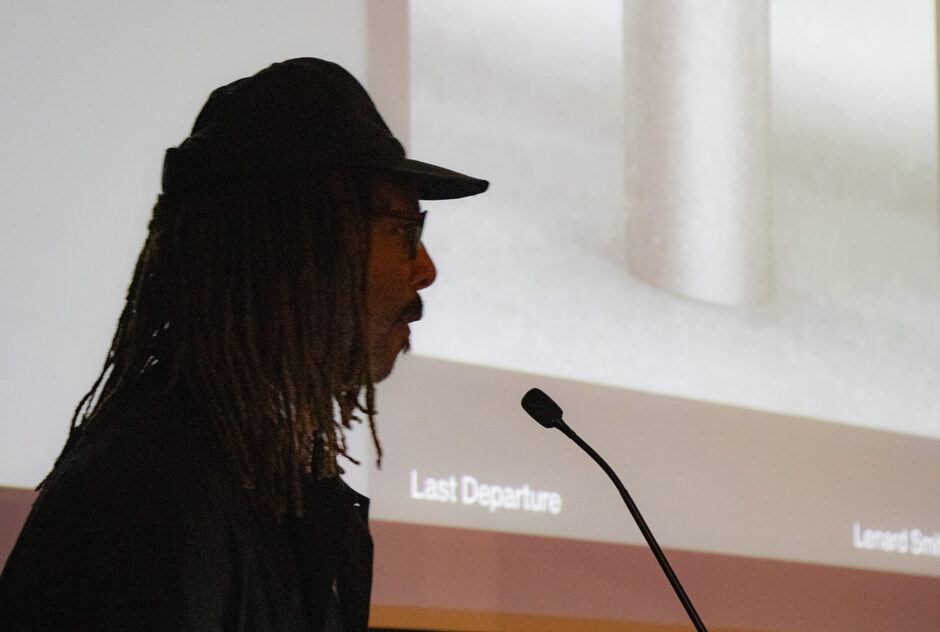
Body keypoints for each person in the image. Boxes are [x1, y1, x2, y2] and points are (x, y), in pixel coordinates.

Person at [0, 57, 488, 631]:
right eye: (404, 232)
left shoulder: (272, 488)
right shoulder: (138, 500)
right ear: (300, 248)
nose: (425, 270)